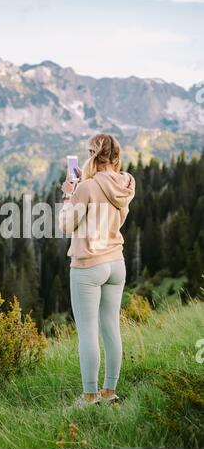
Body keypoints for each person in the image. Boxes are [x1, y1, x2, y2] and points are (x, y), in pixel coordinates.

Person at [59, 133, 135, 408]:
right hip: (116, 262)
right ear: (116, 155)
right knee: (111, 328)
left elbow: (66, 226)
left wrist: (70, 194)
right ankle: (109, 392)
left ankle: (89, 396)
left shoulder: (86, 188)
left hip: (89, 266)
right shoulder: (127, 183)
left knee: (88, 332)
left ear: (92, 155)